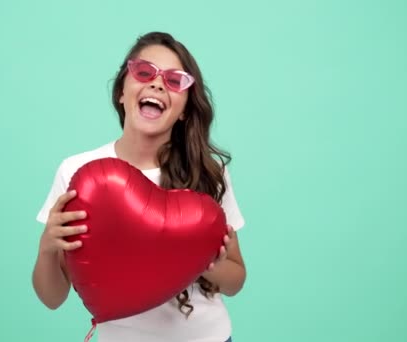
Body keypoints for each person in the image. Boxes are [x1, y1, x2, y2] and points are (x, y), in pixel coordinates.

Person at [32, 31, 246, 342]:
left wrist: (207, 262)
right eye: (144, 72)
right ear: (121, 90)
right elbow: (52, 298)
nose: (158, 83)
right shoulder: (78, 174)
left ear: (185, 108)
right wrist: (47, 247)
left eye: (175, 80)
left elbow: (236, 280)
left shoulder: (208, 172)